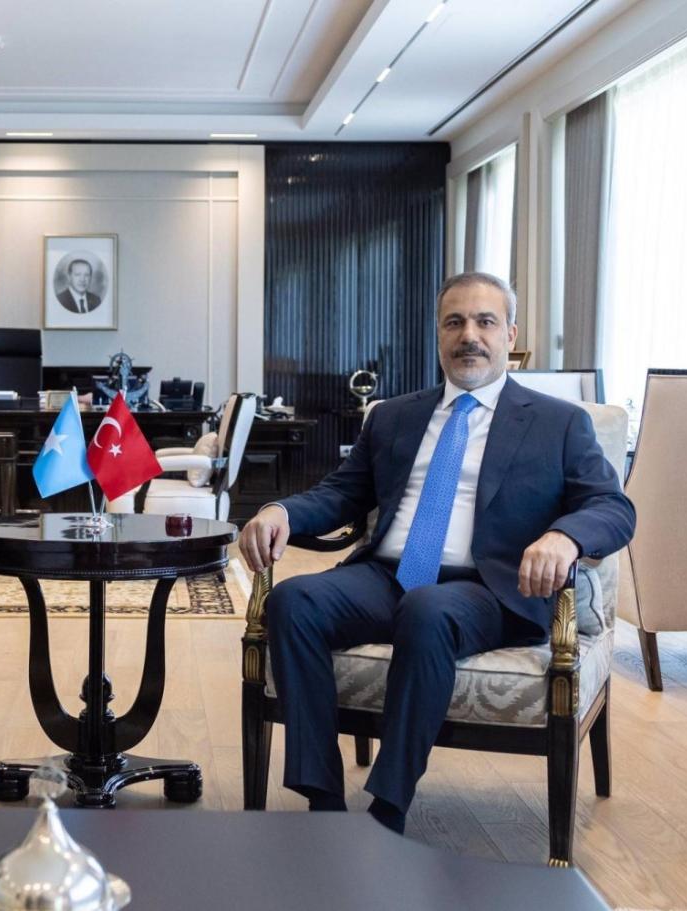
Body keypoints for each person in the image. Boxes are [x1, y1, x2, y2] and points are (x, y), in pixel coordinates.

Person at [238, 271, 634, 833]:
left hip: (489, 589)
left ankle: (387, 810)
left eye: (485, 321)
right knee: (294, 601)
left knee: (427, 610)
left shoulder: (559, 422)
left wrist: (564, 537)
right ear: (439, 335)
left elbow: (613, 507)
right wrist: (281, 511)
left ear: (510, 334)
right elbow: (343, 493)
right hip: (389, 576)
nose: (469, 335)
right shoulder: (394, 416)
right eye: (455, 322)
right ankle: (322, 801)